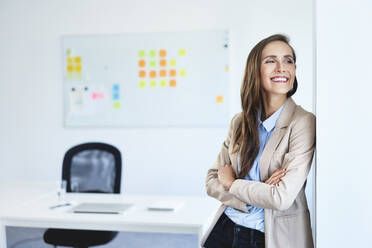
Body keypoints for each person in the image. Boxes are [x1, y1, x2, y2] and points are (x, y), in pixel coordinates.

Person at [201, 34, 315, 248]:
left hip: (269, 238)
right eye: (271, 60)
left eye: (288, 60)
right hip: (225, 229)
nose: (282, 68)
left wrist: (232, 183)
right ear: (255, 70)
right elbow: (211, 180)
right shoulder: (239, 122)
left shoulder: (302, 123)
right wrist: (256, 193)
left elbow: (281, 198)